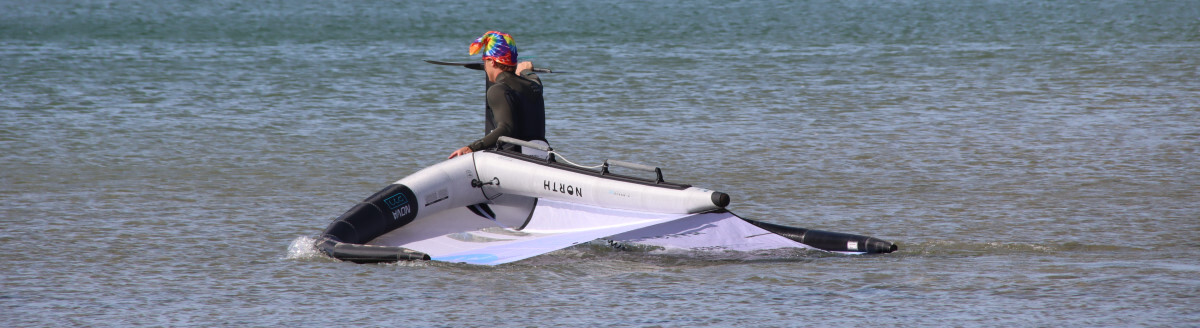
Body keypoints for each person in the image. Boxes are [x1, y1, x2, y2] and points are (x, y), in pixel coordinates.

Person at [448, 31, 546, 159]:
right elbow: (533, 78)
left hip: (517, 161)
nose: (484, 67)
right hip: (542, 157)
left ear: (492, 62)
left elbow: (506, 128)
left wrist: (472, 147)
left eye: (485, 61)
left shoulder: (498, 90)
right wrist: (526, 71)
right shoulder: (535, 86)